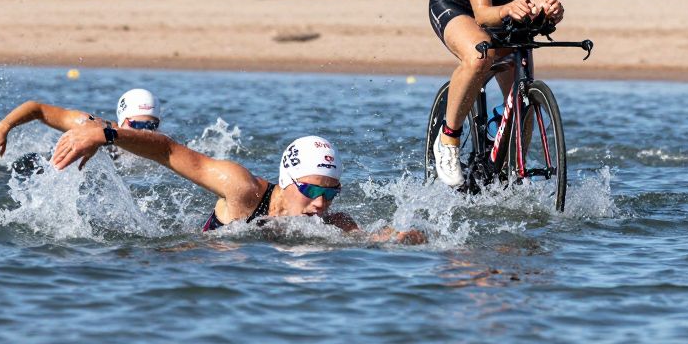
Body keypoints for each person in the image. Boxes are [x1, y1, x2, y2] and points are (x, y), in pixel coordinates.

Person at [45, 121, 425, 244]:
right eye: (311, 190)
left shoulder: (330, 224)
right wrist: (107, 134)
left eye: (330, 192)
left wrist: (405, 237)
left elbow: (371, 238)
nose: (321, 204)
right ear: (286, 180)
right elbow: (171, 152)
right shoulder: (243, 189)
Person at [428, 0, 565, 187]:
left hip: (504, 6)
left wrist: (551, 11)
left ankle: (513, 161)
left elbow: (544, 0)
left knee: (523, 82)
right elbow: (482, 14)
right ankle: (448, 139)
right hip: (456, 4)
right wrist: (509, 9)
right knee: (481, 54)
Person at [0, 88, 162, 168]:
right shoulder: (94, 126)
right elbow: (37, 109)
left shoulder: (161, 147)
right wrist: (3, 127)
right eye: (137, 125)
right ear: (122, 121)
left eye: (152, 126)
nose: (145, 132)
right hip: (39, 166)